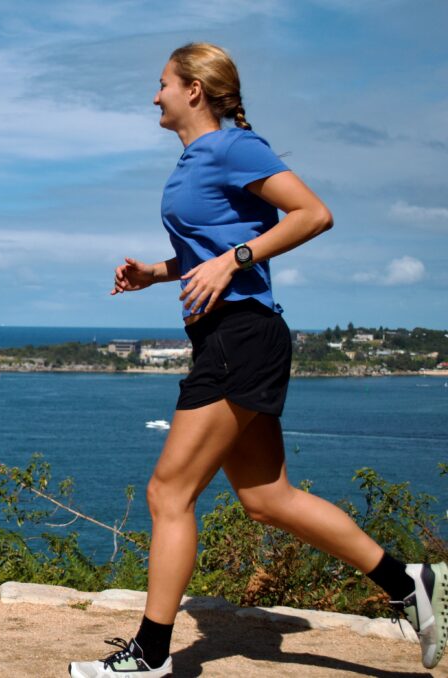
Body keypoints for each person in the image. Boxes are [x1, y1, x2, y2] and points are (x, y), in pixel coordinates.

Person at [68, 42, 448, 677]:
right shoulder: (194, 161)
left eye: (160, 83)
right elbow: (206, 253)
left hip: (238, 338)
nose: (152, 95)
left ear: (194, 89)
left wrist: (237, 258)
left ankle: (151, 656)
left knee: (168, 492)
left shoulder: (233, 147)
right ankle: (407, 581)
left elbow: (313, 213)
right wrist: (155, 273)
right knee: (268, 497)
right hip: (232, 335)